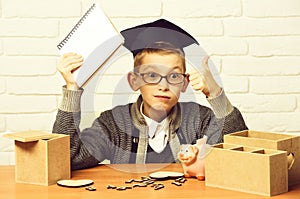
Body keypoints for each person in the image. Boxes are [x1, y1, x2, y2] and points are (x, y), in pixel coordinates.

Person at [53, 19, 247, 170]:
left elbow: (238, 153)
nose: (163, 85)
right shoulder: (112, 124)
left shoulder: (199, 119)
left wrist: (215, 93)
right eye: (152, 75)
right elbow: (68, 158)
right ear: (134, 81)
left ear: (185, 83)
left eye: (173, 76)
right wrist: (72, 90)